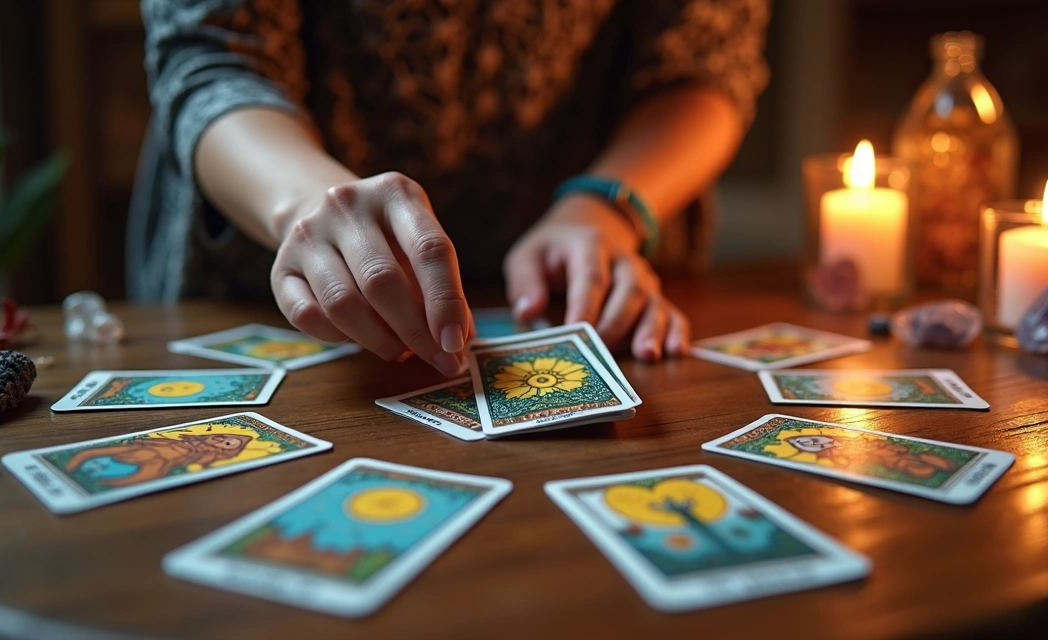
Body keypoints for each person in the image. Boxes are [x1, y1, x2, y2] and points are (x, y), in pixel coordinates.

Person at [131, 0, 769, 378]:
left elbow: (708, 63)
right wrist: (305, 202)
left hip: (591, 286)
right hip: (270, 292)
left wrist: (602, 206)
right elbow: (212, 58)